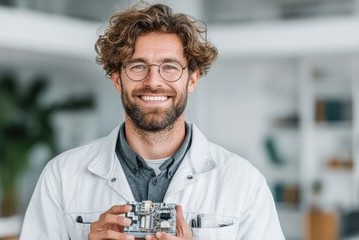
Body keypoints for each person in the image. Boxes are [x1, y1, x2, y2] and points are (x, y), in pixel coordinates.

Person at [20, 2, 285, 240]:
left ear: (192, 79)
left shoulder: (245, 183)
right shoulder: (61, 177)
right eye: (137, 66)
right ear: (117, 79)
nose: (153, 81)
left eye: (170, 67)